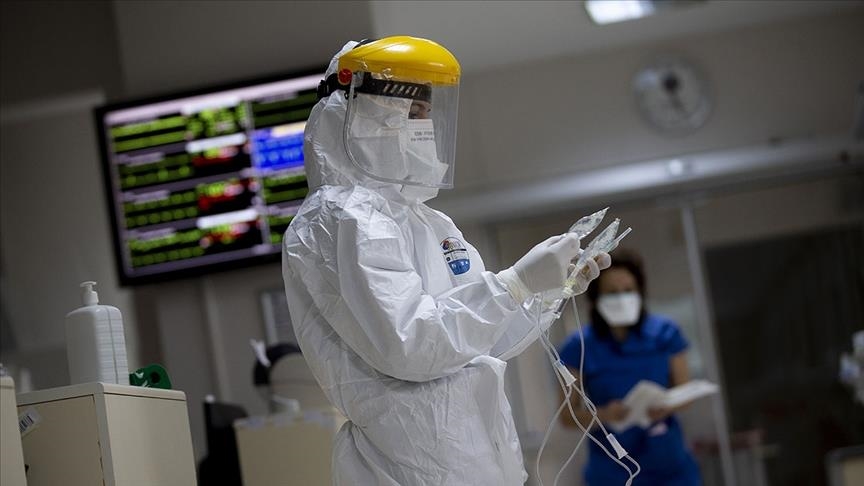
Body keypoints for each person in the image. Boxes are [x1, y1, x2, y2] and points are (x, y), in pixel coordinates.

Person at [281, 36, 610, 485]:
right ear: (367, 116)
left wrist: (545, 291)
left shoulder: (427, 222)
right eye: (412, 112)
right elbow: (412, 343)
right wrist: (514, 284)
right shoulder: (343, 216)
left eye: (427, 112)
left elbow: (481, 341)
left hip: (472, 461)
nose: (425, 126)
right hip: (405, 468)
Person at [558, 250, 701, 485]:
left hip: (668, 464)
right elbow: (566, 416)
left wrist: (665, 405)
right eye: (612, 292)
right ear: (595, 298)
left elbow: (686, 395)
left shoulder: (665, 333)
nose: (622, 297)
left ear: (640, 292)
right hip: (611, 469)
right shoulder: (579, 345)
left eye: (628, 290)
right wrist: (604, 414)